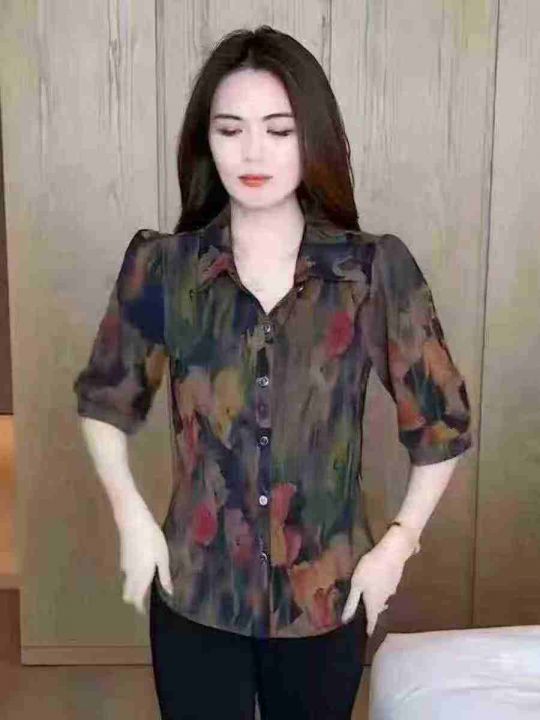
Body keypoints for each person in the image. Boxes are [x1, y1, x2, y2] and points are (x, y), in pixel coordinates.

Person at [72, 25, 473, 720]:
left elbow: (441, 422)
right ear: (207, 143)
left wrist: (397, 545)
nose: (252, 151)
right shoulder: (164, 267)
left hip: (326, 599)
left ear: (310, 139)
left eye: (278, 130)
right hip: (195, 594)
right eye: (230, 130)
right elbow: (106, 397)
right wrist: (131, 515)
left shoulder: (370, 271)